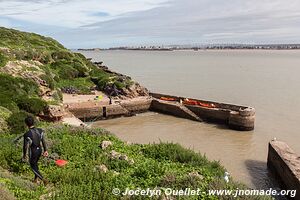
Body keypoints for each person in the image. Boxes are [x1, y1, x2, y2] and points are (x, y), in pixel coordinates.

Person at [22, 116, 48, 185]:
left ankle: (43, 179)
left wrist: (24, 155)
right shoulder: (40, 130)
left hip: (33, 152)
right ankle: (35, 180)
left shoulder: (27, 134)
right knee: (35, 164)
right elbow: (43, 141)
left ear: (26, 124)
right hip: (40, 150)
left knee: (33, 167)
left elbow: (25, 147)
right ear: (33, 122)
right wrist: (45, 150)